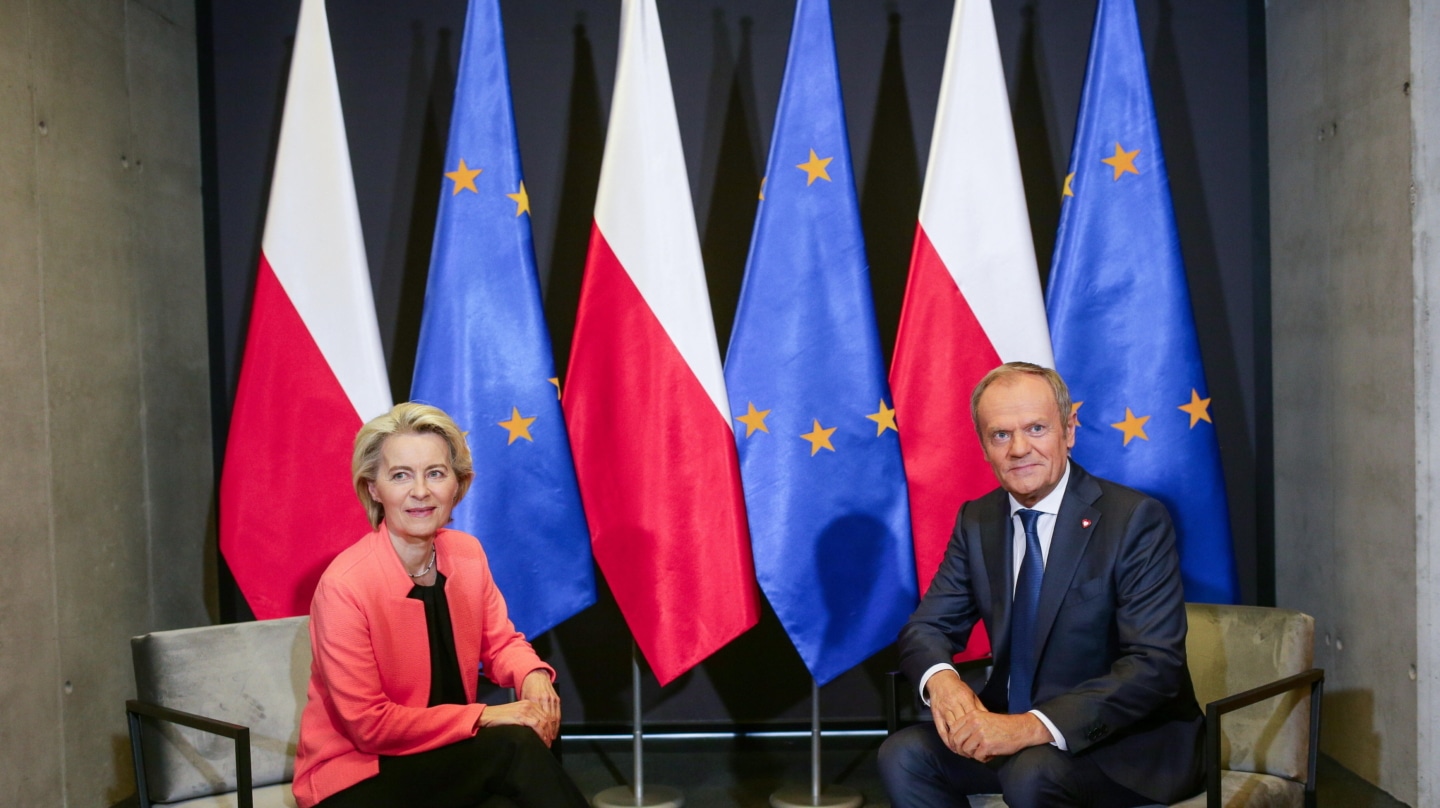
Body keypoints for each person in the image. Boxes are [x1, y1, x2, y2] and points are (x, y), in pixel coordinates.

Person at [879, 362, 1204, 807]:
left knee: (1030, 772)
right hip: (1011, 732)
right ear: (983, 445)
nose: (1018, 449)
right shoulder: (979, 520)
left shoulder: (1134, 520)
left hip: (1120, 743)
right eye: (1000, 435)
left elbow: (1154, 664)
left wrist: (1031, 726)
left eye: (1036, 428)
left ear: (1068, 431)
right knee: (904, 755)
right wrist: (944, 683)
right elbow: (927, 628)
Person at [292, 402, 589, 808]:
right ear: (374, 488)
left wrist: (534, 677)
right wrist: (486, 715)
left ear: (458, 484)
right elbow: (370, 727)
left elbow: (501, 644)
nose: (420, 491)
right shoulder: (345, 586)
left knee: (535, 726)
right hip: (359, 774)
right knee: (516, 744)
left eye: (435, 473)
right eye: (401, 475)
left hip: (444, 753)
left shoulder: (466, 553)